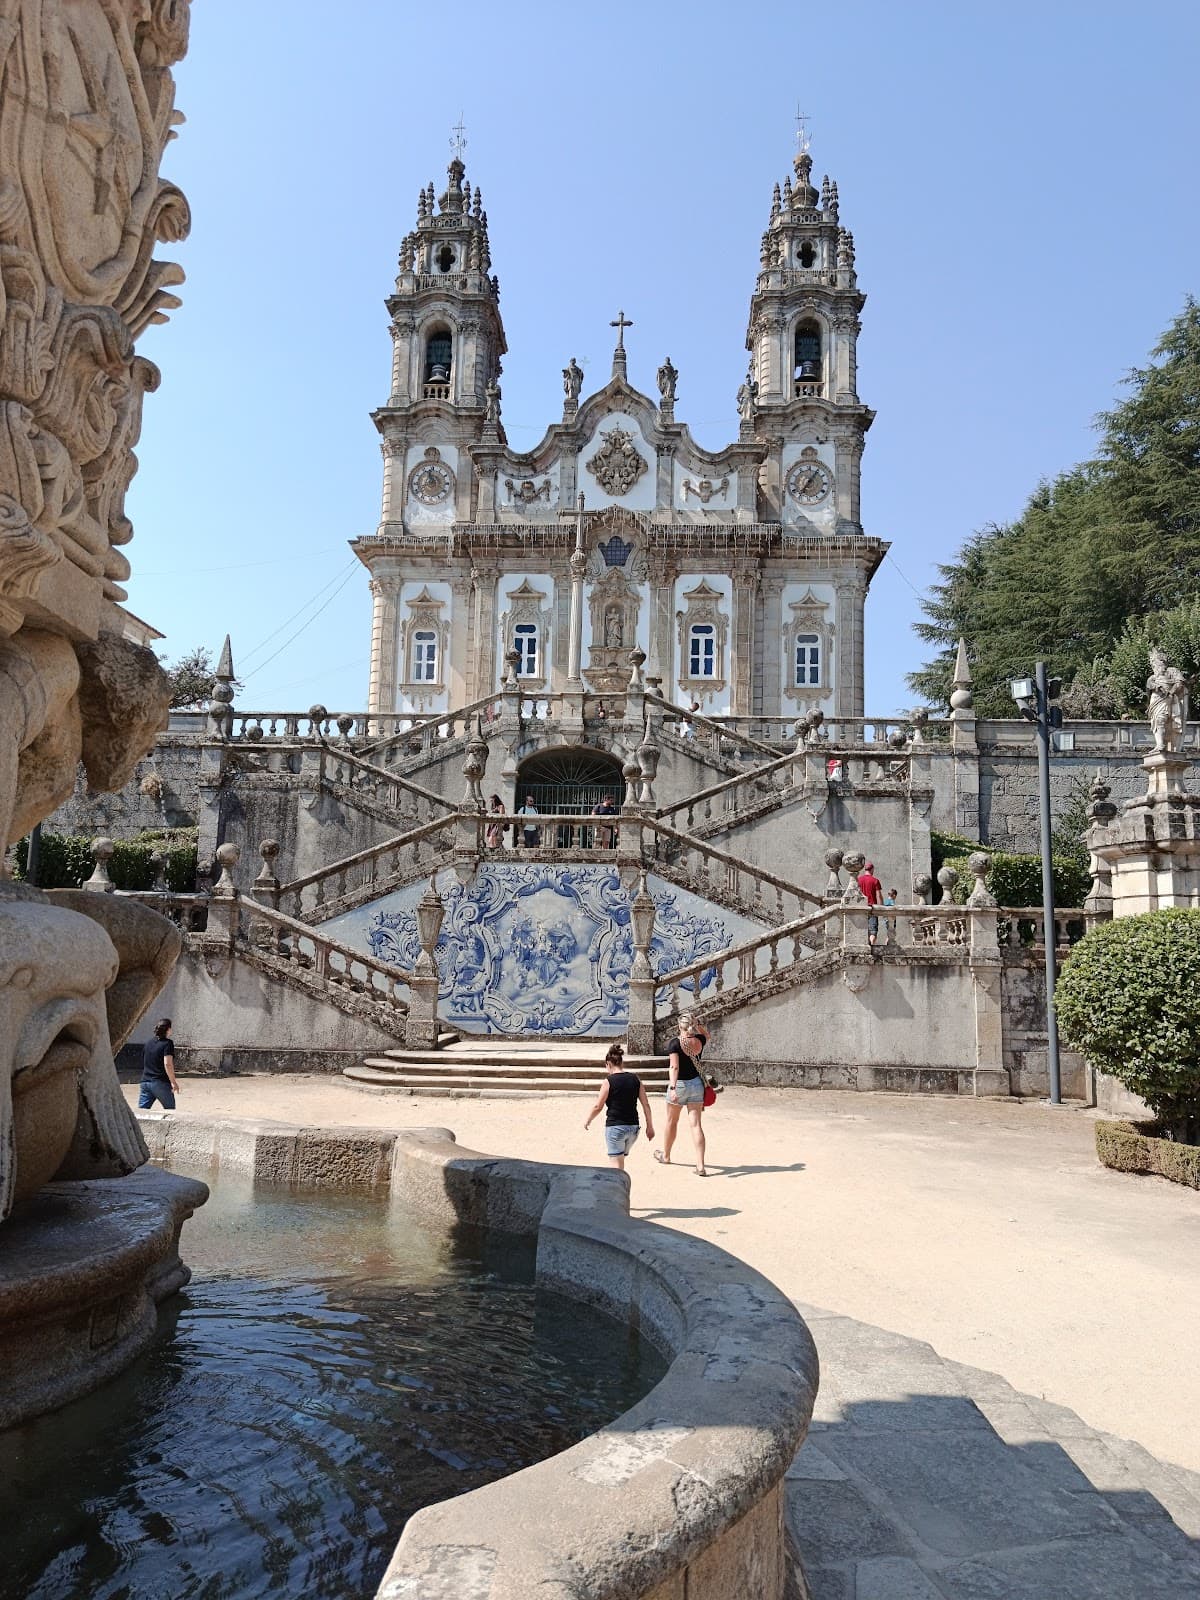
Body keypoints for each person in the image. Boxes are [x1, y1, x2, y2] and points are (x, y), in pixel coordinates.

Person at [584, 1043, 655, 1172]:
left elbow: (598, 1106)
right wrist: (650, 1127)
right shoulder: (636, 1079)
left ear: (608, 1064)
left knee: (616, 1166)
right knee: (620, 1160)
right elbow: (646, 1105)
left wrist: (589, 1119)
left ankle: (617, 1190)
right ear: (621, 1063)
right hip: (633, 1128)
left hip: (615, 1127)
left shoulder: (608, 1081)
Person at [654, 1017, 710, 1176]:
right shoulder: (699, 1040)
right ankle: (700, 1165)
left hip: (680, 1085)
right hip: (696, 1085)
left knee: (672, 1121)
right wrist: (699, 1026)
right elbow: (708, 1036)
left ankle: (666, 1156)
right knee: (696, 1125)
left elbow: (674, 1067)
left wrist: (672, 1088)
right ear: (693, 1026)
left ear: (679, 1026)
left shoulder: (675, 1043)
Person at [139, 1017, 180, 1110]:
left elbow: (144, 1059)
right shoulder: (168, 1043)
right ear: (168, 1029)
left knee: (142, 1112)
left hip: (145, 1082)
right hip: (160, 1082)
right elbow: (168, 1064)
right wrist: (173, 1082)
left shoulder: (148, 1043)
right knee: (170, 1111)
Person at [857, 858, 883, 946]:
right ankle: (871, 945)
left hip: (861, 908)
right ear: (872, 869)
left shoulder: (858, 880)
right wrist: (882, 907)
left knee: (862, 929)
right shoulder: (875, 880)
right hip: (872, 908)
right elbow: (878, 895)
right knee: (873, 931)